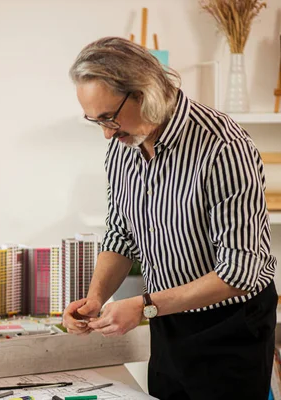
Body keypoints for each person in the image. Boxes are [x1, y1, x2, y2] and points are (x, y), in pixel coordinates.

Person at [62, 37, 277, 400]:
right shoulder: (123, 148)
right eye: (94, 121)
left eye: (109, 118)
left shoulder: (222, 147)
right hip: (167, 320)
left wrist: (144, 305)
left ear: (144, 92)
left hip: (230, 328)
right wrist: (95, 298)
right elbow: (120, 235)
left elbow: (240, 272)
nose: (106, 133)